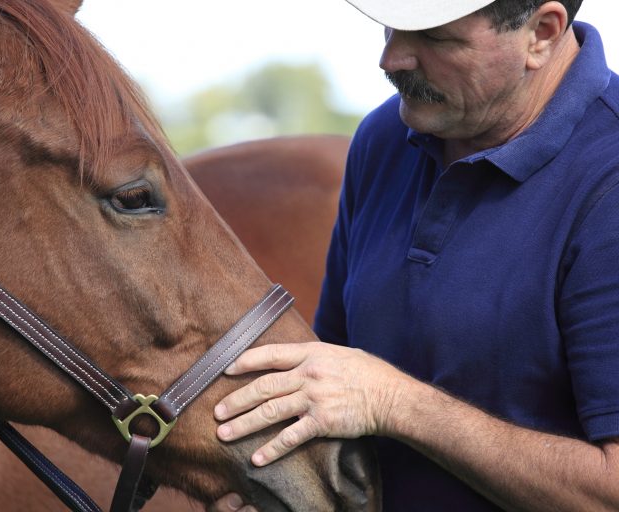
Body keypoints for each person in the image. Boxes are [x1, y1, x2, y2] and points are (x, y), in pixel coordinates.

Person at [209, 0, 619, 510]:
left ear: (541, 31)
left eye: (436, 37)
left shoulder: (610, 183)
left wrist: (395, 403)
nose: (392, 58)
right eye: (392, 28)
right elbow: (334, 375)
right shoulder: (383, 140)